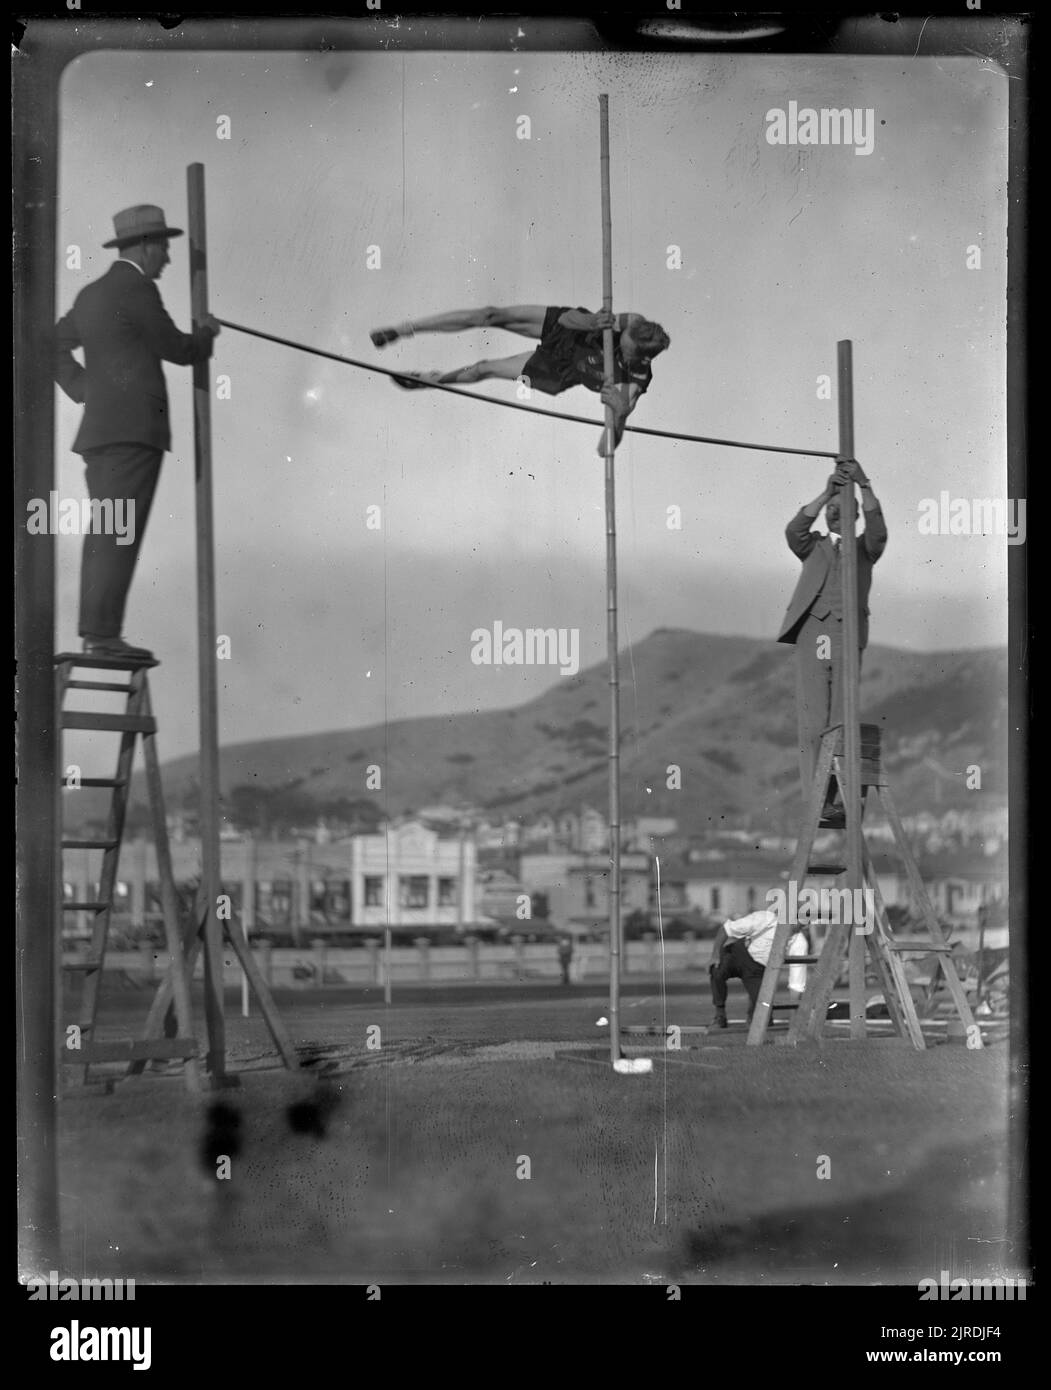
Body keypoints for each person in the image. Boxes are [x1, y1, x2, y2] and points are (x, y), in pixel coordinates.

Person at [54, 204, 222, 661]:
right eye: (164, 248)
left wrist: (86, 389)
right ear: (145, 248)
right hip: (134, 434)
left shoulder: (92, 294)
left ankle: (98, 631)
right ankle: (103, 636)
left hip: (101, 436)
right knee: (118, 531)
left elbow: (52, 343)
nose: (167, 259)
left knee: (107, 528)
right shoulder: (138, 288)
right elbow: (178, 349)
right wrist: (207, 335)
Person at [369, 304, 669, 454]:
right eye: (622, 341)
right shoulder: (632, 324)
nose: (620, 346)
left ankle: (431, 380)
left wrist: (619, 416)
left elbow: (605, 450)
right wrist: (592, 322)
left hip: (561, 369)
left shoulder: (633, 381)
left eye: (626, 351)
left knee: (482, 369)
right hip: (571, 331)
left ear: (643, 357)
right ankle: (404, 329)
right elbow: (566, 320)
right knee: (490, 315)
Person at [776, 457, 888, 820]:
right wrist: (827, 493)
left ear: (855, 513)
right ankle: (817, 803)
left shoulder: (865, 551)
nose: (836, 514)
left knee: (843, 720)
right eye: (831, 509)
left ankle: (842, 801)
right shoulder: (814, 546)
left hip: (848, 634)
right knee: (813, 721)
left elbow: (879, 530)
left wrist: (864, 483)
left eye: (844, 507)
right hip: (813, 633)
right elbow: (794, 530)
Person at [708, 907, 809, 1028]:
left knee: (764, 1021)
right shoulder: (765, 918)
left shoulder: (800, 943)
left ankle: (753, 1015)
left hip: (758, 970)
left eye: (802, 922)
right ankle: (720, 1015)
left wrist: (794, 1018)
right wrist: (715, 956)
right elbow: (725, 929)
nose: (797, 924)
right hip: (739, 954)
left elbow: (796, 984)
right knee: (717, 969)